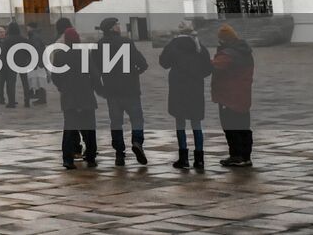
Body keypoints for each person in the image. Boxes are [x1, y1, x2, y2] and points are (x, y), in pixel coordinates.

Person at [159, 21, 212, 170]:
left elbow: (164, 62)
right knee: (196, 123)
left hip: (178, 88)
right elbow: (208, 69)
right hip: (195, 88)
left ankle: (183, 158)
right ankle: (199, 158)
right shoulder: (199, 46)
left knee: (180, 123)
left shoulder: (173, 45)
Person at [97, 17, 148, 166]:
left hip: (112, 91)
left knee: (116, 122)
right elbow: (143, 64)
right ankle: (137, 141)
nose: (119, 26)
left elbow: (96, 68)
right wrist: (134, 73)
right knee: (137, 118)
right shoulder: (126, 42)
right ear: (112, 28)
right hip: (130, 89)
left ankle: (119, 153)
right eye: (117, 24)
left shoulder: (100, 45)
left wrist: (102, 85)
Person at [51, 26, 101, 169]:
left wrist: (62, 87)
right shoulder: (84, 53)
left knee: (69, 128)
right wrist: (93, 87)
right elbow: (94, 74)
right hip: (85, 95)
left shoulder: (60, 55)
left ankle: (68, 159)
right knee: (90, 127)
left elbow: (55, 76)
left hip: (69, 96)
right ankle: (91, 157)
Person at [211, 23, 255, 168]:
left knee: (230, 127)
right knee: (243, 126)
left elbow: (213, 66)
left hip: (228, 97)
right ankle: (246, 156)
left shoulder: (228, 54)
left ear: (223, 39)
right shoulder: (245, 52)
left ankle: (236, 156)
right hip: (243, 95)